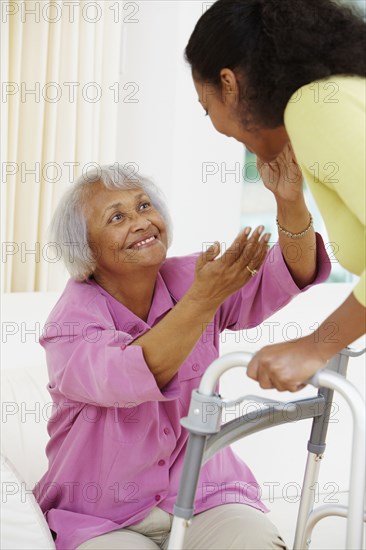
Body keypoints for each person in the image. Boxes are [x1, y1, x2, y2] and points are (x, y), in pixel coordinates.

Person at [34, 164, 329, 549]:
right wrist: (202, 301)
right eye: (117, 217)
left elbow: (291, 269)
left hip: (203, 493)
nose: (141, 222)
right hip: (101, 516)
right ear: (86, 249)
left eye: (144, 206)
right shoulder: (68, 325)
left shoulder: (192, 277)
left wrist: (289, 201)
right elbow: (129, 375)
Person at [185, 0, 366, 392]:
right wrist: (289, 201)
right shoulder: (336, 99)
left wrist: (315, 346)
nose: (214, 123)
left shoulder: (315, 110)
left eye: (206, 107)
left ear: (229, 85)